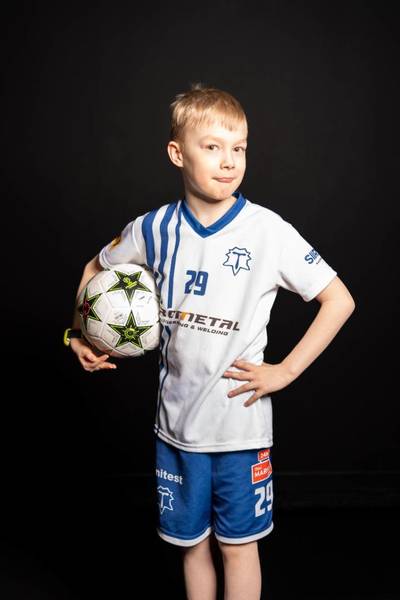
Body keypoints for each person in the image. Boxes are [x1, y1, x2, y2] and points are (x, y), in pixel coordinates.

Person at [66, 83, 355, 600]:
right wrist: (78, 332)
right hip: (177, 428)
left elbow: (339, 300)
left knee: (238, 548)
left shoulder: (268, 231)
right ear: (178, 154)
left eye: (239, 148)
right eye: (213, 147)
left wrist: (285, 371)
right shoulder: (154, 229)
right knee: (192, 547)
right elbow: (95, 268)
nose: (229, 161)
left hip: (240, 430)